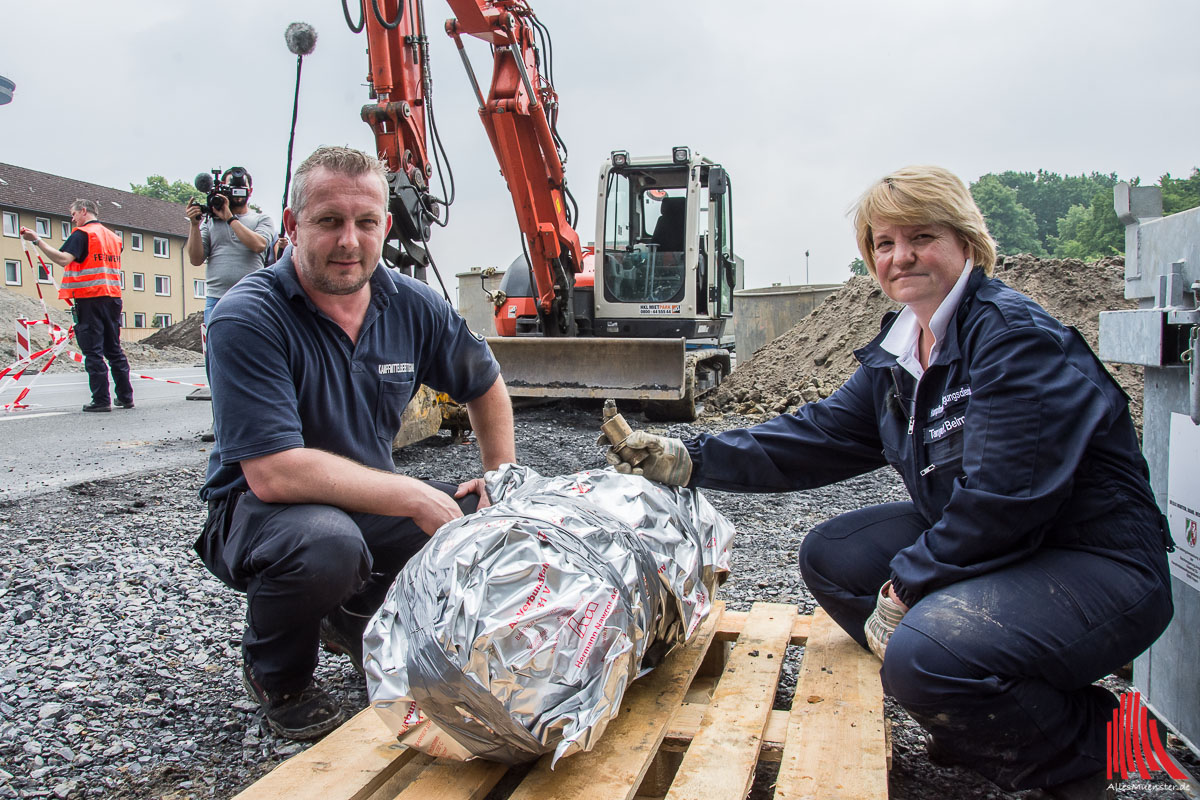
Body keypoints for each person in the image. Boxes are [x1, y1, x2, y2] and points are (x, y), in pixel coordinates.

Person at [603, 166, 1174, 800]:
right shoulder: (904, 346)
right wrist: (691, 458)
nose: (900, 256)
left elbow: (1002, 501)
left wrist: (909, 585)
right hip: (1010, 548)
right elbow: (819, 435)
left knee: (926, 655)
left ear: (965, 241)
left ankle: (1086, 749)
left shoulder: (1012, 340)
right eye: (882, 243)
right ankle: (993, 706)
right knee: (834, 558)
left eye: (920, 237)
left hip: (1092, 559)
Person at [196, 145, 515, 741]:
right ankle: (279, 674)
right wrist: (412, 497)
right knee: (328, 545)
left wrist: (500, 478)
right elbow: (274, 472)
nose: (349, 241)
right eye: (328, 221)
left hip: (362, 500)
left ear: (385, 227)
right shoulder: (247, 317)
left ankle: (350, 615)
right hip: (259, 511)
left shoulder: (409, 303)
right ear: (292, 226)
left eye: (366, 223)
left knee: (484, 516)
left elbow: (485, 381)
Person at [20, 199, 134, 412]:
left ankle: (101, 400)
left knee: (93, 351)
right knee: (114, 349)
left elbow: (63, 259)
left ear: (83, 211)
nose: (72, 219)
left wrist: (37, 241)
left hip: (89, 298)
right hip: (113, 298)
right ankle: (125, 397)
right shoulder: (114, 237)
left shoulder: (82, 234)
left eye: (73, 214)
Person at [184, 166, 275, 326]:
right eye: (233, 188)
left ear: (250, 190)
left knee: (252, 349)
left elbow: (259, 245)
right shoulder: (210, 221)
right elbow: (196, 259)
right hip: (216, 299)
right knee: (216, 349)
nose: (238, 193)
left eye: (242, 188)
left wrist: (229, 218)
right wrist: (194, 225)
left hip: (252, 297)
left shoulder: (261, 219)